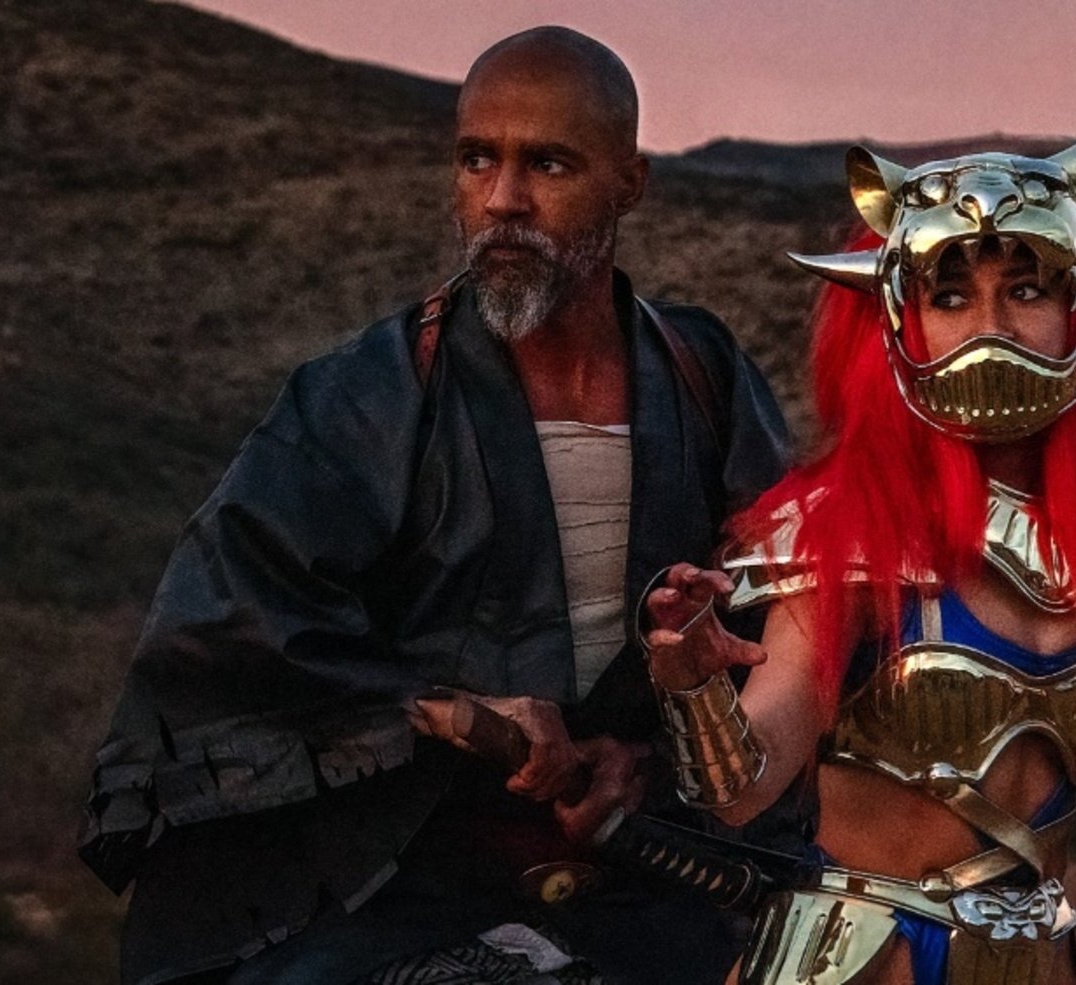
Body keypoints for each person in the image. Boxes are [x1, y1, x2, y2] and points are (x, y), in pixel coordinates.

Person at [78, 26, 799, 985]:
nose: (502, 200)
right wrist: (453, 711)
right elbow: (226, 629)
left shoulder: (701, 375)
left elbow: (788, 620)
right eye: (476, 159)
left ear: (629, 183)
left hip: (645, 879)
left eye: (547, 164)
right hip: (397, 890)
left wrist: (653, 755)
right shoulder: (365, 396)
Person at [641, 128, 1076, 985]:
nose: (992, 327)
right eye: (949, 297)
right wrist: (693, 684)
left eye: (1026, 288)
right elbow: (742, 789)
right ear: (897, 318)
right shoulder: (846, 531)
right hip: (859, 963)